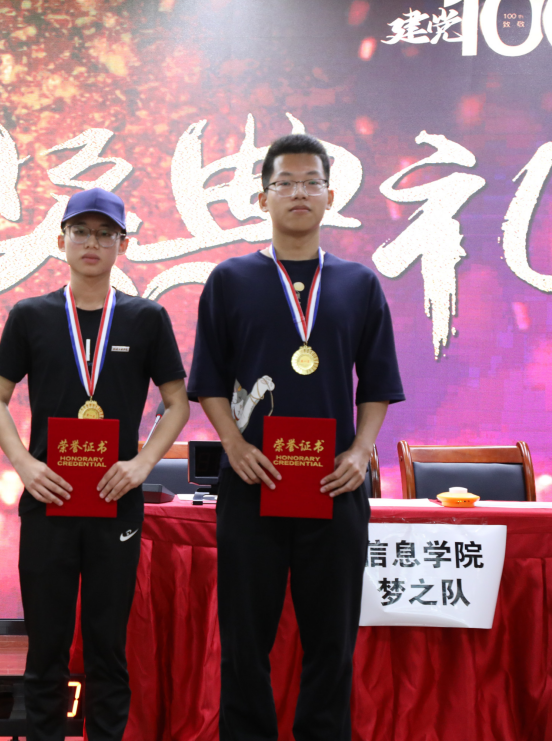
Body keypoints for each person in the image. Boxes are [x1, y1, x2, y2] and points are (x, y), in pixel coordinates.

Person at [188, 134, 405, 741]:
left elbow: (378, 384)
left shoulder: (359, 284)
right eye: (285, 183)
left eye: (312, 182)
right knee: (244, 642)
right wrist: (234, 445)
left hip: (334, 486)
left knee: (332, 643)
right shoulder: (230, 280)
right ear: (263, 198)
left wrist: (361, 452)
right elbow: (208, 380)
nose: (299, 193)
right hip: (251, 484)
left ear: (331, 196)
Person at [0, 188, 190, 741]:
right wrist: (25, 465)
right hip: (47, 499)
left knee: (107, 647)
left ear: (124, 244)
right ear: (61, 241)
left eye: (105, 234)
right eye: (81, 232)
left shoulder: (147, 318)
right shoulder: (31, 315)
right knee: (46, 649)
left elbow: (177, 403)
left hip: (115, 501)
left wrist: (143, 464)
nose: (92, 243)